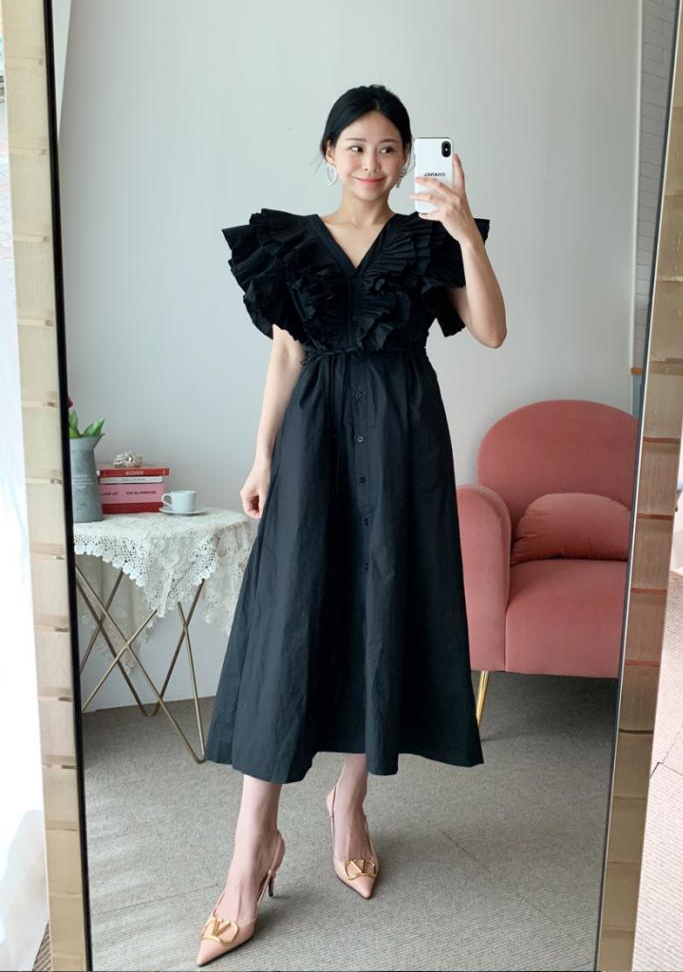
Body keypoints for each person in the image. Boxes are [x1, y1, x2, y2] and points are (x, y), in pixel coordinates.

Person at [196, 84, 506, 960]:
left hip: (404, 443)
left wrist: (467, 230)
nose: (373, 162)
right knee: (289, 620)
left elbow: (490, 330)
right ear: (329, 151)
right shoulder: (289, 240)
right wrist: (261, 456)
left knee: (381, 606)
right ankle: (251, 843)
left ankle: (349, 803)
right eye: (357, 145)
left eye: (389, 147)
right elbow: (285, 355)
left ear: (408, 158)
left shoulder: (429, 240)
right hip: (314, 442)